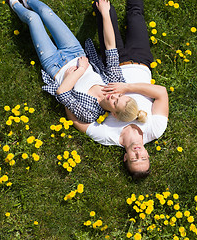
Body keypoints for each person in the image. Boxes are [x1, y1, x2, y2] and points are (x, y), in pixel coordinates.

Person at [66, 0, 169, 179]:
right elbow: (161, 93)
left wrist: (68, 95)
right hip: (140, 59)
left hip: (110, 59)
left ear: (125, 158)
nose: (138, 154)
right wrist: (127, 87)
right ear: (148, 154)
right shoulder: (155, 129)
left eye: (134, 160)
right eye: (143, 157)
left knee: (103, 9)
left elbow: (76, 121)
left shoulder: (108, 136)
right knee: (135, 14)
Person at [6, 0, 143, 123]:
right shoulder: (116, 83)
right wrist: (105, 13)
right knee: (46, 12)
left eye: (115, 103)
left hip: (54, 65)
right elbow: (111, 49)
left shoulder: (90, 113)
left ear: (114, 114)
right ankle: (27, 1)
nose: (112, 97)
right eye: (119, 96)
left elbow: (62, 93)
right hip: (74, 51)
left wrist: (80, 71)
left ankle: (14, 4)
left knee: (33, 18)